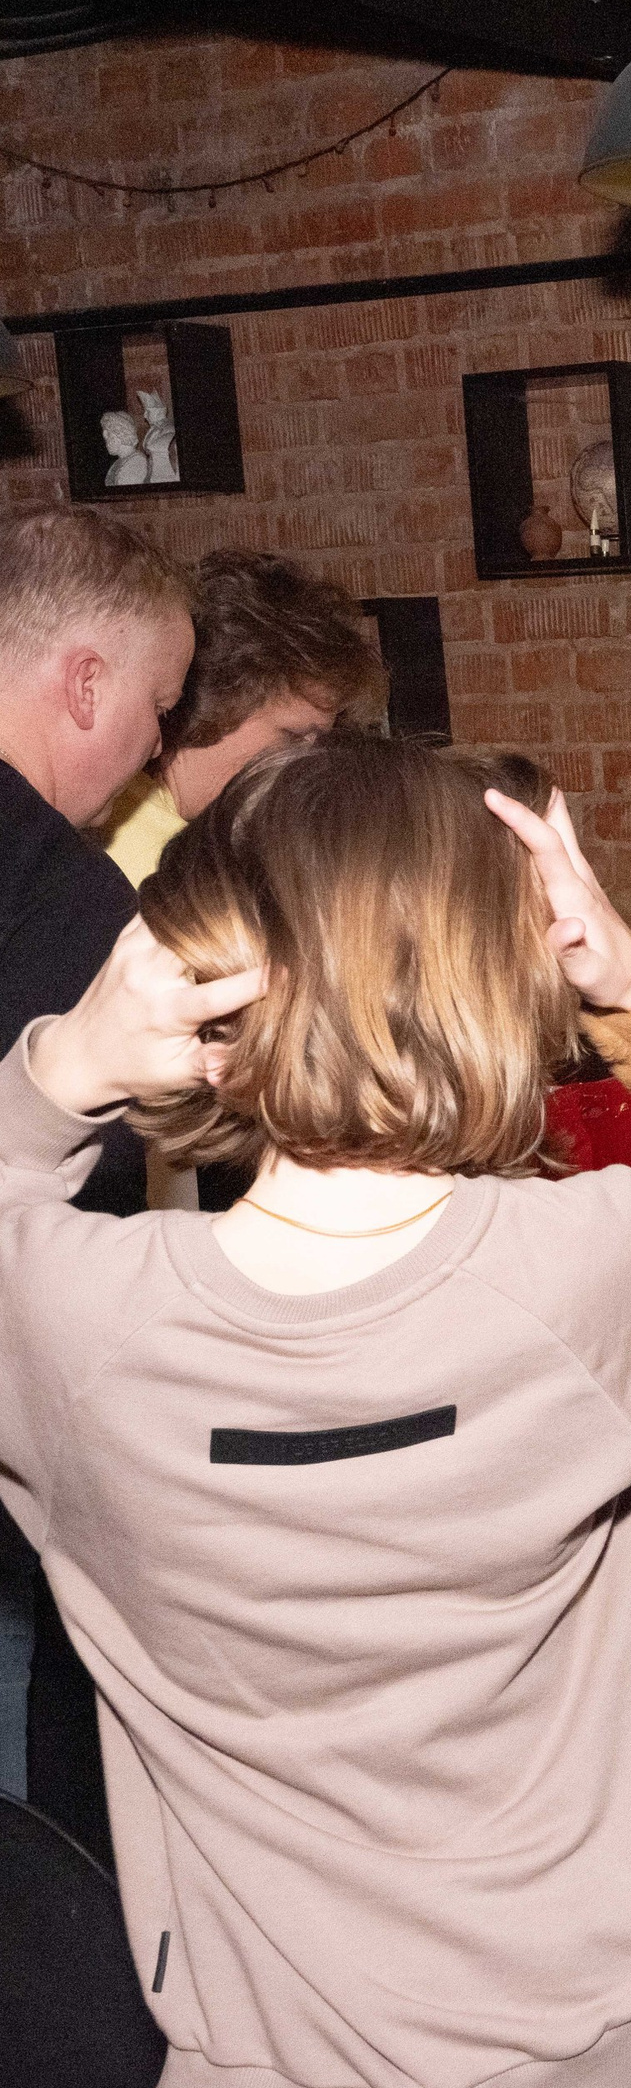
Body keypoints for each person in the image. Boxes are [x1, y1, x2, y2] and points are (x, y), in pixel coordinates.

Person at [0, 732, 631, 2088]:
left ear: (212, 981)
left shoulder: (76, 1329)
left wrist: (65, 1067)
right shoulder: (592, 1277)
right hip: (612, 2076)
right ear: (511, 975)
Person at [0, 504, 195, 1828]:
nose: (156, 751)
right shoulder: (68, 899)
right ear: (83, 683)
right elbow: (94, 1223)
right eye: (157, 705)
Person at [100, 548, 383, 887]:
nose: (305, 767)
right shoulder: (160, 872)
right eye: (292, 737)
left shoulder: (127, 811)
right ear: (211, 702)